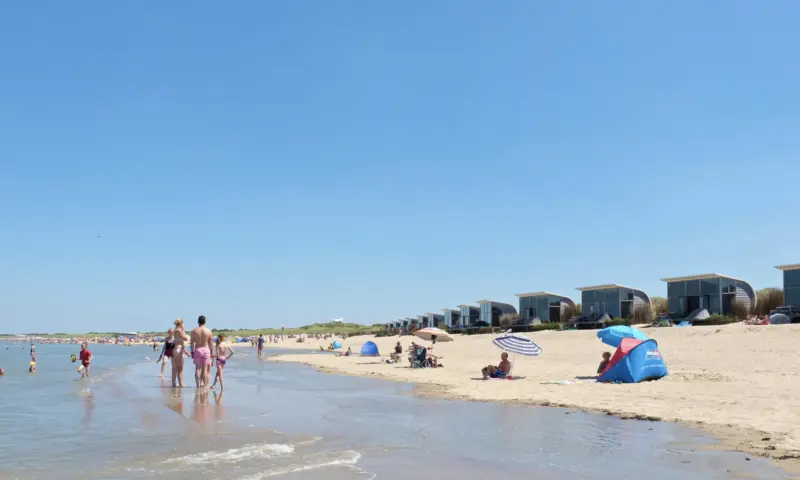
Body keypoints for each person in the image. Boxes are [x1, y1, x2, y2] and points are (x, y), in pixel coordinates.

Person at [190, 315, 213, 389]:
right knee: (205, 369)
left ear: (198, 322)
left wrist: (192, 352)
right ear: (205, 322)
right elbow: (210, 343)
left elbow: (191, 343)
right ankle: (205, 386)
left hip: (198, 349)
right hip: (206, 350)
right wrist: (212, 352)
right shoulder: (208, 331)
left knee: (198, 369)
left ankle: (198, 385)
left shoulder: (194, 331)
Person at [172, 319, 190, 388]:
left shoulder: (175, 330)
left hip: (175, 349)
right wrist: (187, 335)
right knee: (180, 368)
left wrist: (185, 351)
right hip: (179, 350)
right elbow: (185, 338)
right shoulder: (180, 330)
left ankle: (174, 383)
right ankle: (181, 384)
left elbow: (179, 341)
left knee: (176, 368)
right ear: (181, 323)